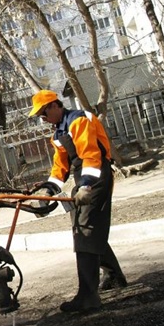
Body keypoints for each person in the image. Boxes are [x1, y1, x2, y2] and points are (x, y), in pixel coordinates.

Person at [29, 90, 127, 313]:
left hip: (96, 175)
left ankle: (88, 296)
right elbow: (60, 167)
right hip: (82, 177)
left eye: (43, 114)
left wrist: (85, 186)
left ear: (55, 106)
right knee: (84, 229)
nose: (42, 119)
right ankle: (114, 275)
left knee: (86, 230)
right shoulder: (58, 133)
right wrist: (47, 192)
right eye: (40, 116)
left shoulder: (78, 120)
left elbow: (91, 155)